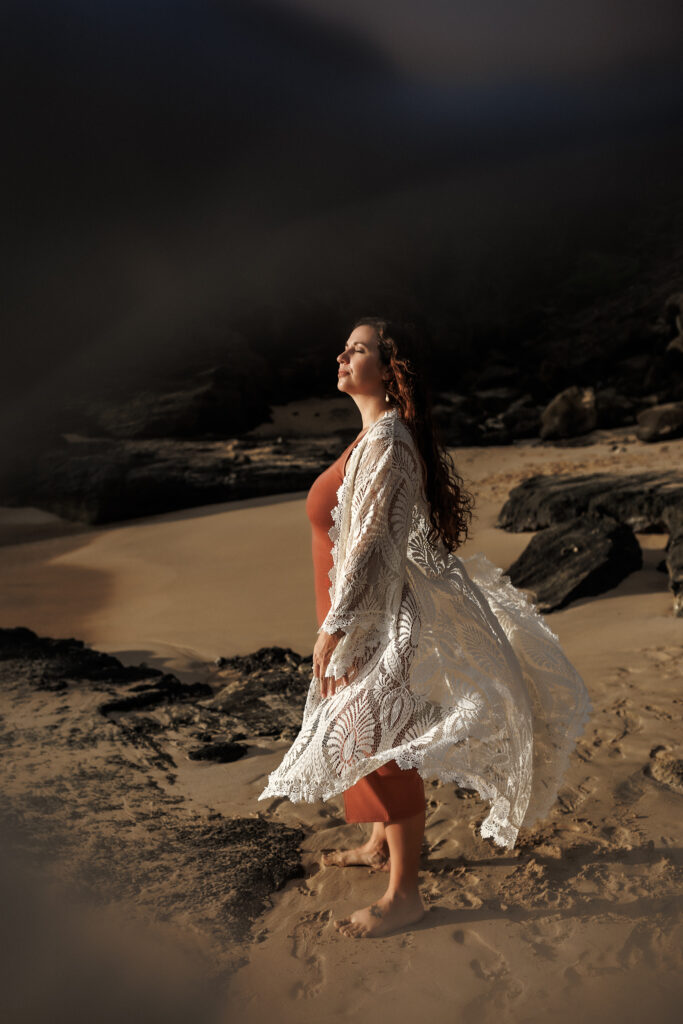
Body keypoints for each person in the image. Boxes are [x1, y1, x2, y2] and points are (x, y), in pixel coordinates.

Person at [258, 317, 592, 939]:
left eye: (356, 350)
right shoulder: (372, 437)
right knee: (363, 730)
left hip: (372, 612)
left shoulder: (387, 443)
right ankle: (378, 843)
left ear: (389, 370)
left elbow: (373, 546)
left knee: (383, 736)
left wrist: (338, 623)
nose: (341, 354)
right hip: (355, 606)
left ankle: (405, 893)